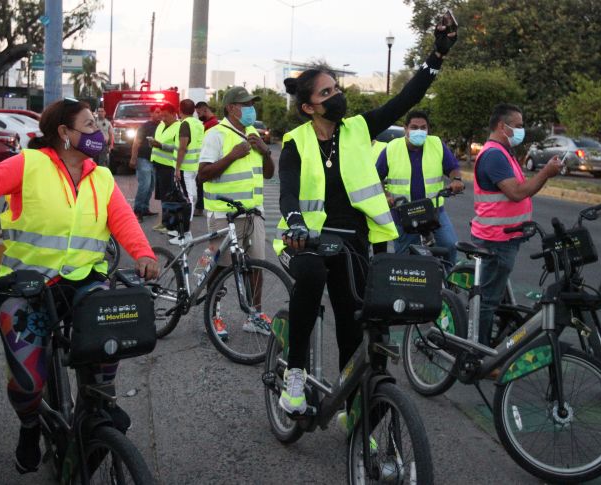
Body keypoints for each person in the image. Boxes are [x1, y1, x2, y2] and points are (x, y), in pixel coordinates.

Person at [0, 97, 159, 474]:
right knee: (28, 383)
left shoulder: (101, 177)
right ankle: (29, 426)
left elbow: (123, 220)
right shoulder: (29, 164)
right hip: (25, 287)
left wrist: (144, 254)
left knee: (110, 339)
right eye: (89, 125)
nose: (99, 132)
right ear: (64, 133)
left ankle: (97, 414)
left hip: (84, 285)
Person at [274, 15, 457, 415]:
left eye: (336, 88)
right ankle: (295, 375)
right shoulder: (295, 142)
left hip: (353, 241)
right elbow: (288, 191)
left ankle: (350, 408)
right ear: (308, 107)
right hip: (307, 240)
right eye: (327, 92)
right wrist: (296, 223)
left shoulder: (359, 128)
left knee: (351, 323)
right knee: (311, 276)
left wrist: (437, 56)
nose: (337, 95)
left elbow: (405, 99)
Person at [472, 103, 563, 347]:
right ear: (502, 126)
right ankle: (478, 353)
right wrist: (546, 172)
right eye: (519, 125)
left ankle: (490, 344)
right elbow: (517, 192)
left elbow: (521, 190)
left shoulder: (504, 152)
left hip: (506, 237)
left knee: (494, 297)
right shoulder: (494, 155)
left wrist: (545, 173)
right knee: (488, 301)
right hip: (496, 239)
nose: (522, 130)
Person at [198, 86, 275, 339]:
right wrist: (232, 156)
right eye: (246, 105)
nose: (251, 109)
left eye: (252, 104)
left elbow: (268, 174)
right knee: (220, 268)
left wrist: (265, 151)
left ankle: (255, 315)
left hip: (253, 214)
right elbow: (203, 174)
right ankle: (213, 316)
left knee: (256, 266)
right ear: (231, 108)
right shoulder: (215, 134)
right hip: (224, 215)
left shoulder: (253, 133)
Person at [373, 110, 464, 267]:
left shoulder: (437, 144)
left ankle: (447, 278)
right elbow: (376, 177)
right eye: (414, 127)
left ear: (428, 129)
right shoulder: (392, 148)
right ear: (406, 129)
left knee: (449, 245)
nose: (419, 131)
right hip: (403, 213)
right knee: (405, 257)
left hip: (434, 210)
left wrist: (456, 180)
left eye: (423, 128)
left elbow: (453, 168)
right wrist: (385, 195)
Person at [169, 98, 205, 244]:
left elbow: (183, 147)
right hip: (194, 167)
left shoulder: (185, 124)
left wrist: (177, 168)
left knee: (187, 200)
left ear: (180, 110)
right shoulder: (198, 124)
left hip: (185, 168)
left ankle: (185, 234)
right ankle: (178, 229)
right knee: (188, 198)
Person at [147, 103, 181, 234]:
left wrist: (160, 145)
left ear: (174, 114)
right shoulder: (161, 125)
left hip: (169, 166)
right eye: (162, 116)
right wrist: (153, 143)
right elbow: (159, 140)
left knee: (169, 197)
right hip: (158, 164)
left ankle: (170, 224)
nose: (163, 119)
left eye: (166, 116)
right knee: (163, 196)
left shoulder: (179, 127)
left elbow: (178, 148)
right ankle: (164, 222)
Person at [129, 107, 160, 222]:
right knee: (145, 185)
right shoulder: (145, 126)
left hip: (155, 160)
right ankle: (137, 211)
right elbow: (136, 142)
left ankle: (145, 208)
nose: (159, 114)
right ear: (151, 113)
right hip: (143, 159)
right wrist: (133, 158)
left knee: (151, 186)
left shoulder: (162, 126)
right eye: (157, 112)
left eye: (161, 112)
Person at [194, 101, 220, 216]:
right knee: (200, 183)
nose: (198, 116)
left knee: (201, 182)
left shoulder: (212, 124)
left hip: (209, 159)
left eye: (199, 113)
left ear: (205, 110)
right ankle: (200, 206)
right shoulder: (208, 123)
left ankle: (200, 207)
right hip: (206, 158)